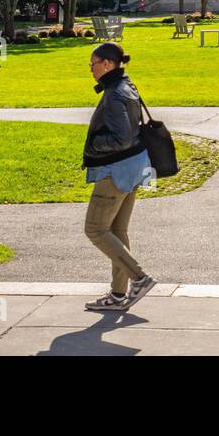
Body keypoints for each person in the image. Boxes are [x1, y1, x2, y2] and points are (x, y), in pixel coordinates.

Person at [82, 42, 156, 312]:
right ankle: (117, 295)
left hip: (116, 171)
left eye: (93, 63)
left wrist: (92, 146)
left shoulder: (114, 94)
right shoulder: (127, 85)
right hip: (134, 167)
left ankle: (139, 278)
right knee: (116, 230)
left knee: (95, 229)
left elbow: (122, 138)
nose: (91, 69)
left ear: (108, 64)